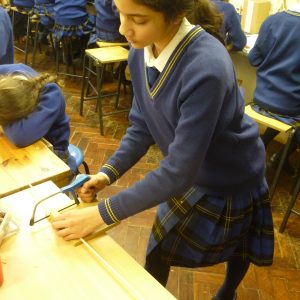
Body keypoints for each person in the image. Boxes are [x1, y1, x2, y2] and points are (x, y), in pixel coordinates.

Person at [52, 1, 274, 299]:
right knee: (160, 247)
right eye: (120, 12)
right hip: (189, 169)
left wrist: (103, 214)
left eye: (138, 19)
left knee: (240, 244)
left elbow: (179, 171)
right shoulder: (139, 51)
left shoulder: (206, 67)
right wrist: (108, 173)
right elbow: (142, 124)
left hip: (234, 172)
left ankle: (227, 292)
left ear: (176, 14)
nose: (123, 28)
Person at [248, 3, 300, 174]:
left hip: (261, 99)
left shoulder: (272, 20)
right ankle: (280, 158)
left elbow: (253, 59)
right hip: (291, 107)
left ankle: (261, 146)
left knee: (279, 106)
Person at [0, 63, 77, 175]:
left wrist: (3, 123)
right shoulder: (12, 72)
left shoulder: (51, 95)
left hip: (53, 154)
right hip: (29, 150)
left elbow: (19, 137)